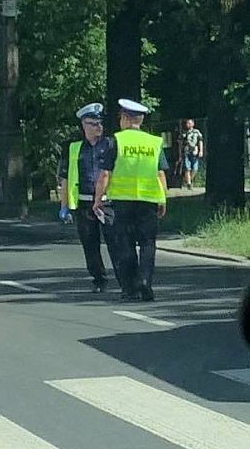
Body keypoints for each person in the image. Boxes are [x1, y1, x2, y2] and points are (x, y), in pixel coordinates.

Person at [93, 99, 168, 302]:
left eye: (121, 117)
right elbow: (160, 174)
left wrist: (98, 199)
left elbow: (105, 174)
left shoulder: (115, 141)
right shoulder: (154, 142)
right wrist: (163, 199)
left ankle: (129, 287)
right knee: (147, 243)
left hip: (122, 201)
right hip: (149, 200)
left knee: (123, 243)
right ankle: (145, 281)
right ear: (141, 120)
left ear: (126, 118)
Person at [58, 102, 122, 293]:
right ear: (84, 125)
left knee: (116, 242)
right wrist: (64, 206)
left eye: (100, 123)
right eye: (94, 123)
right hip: (84, 203)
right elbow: (65, 178)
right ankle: (99, 279)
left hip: (107, 203)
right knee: (90, 244)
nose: (99, 127)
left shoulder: (111, 144)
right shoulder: (73, 148)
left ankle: (124, 279)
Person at [181, 118, 204, 191]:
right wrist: (180, 153)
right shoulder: (183, 133)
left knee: (195, 168)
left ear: (193, 124)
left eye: (190, 123)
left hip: (195, 151)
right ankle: (189, 183)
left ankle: (189, 179)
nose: (188, 124)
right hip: (186, 152)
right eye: (187, 123)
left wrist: (201, 151)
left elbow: (200, 141)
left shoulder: (197, 132)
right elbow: (180, 143)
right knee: (187, 168)